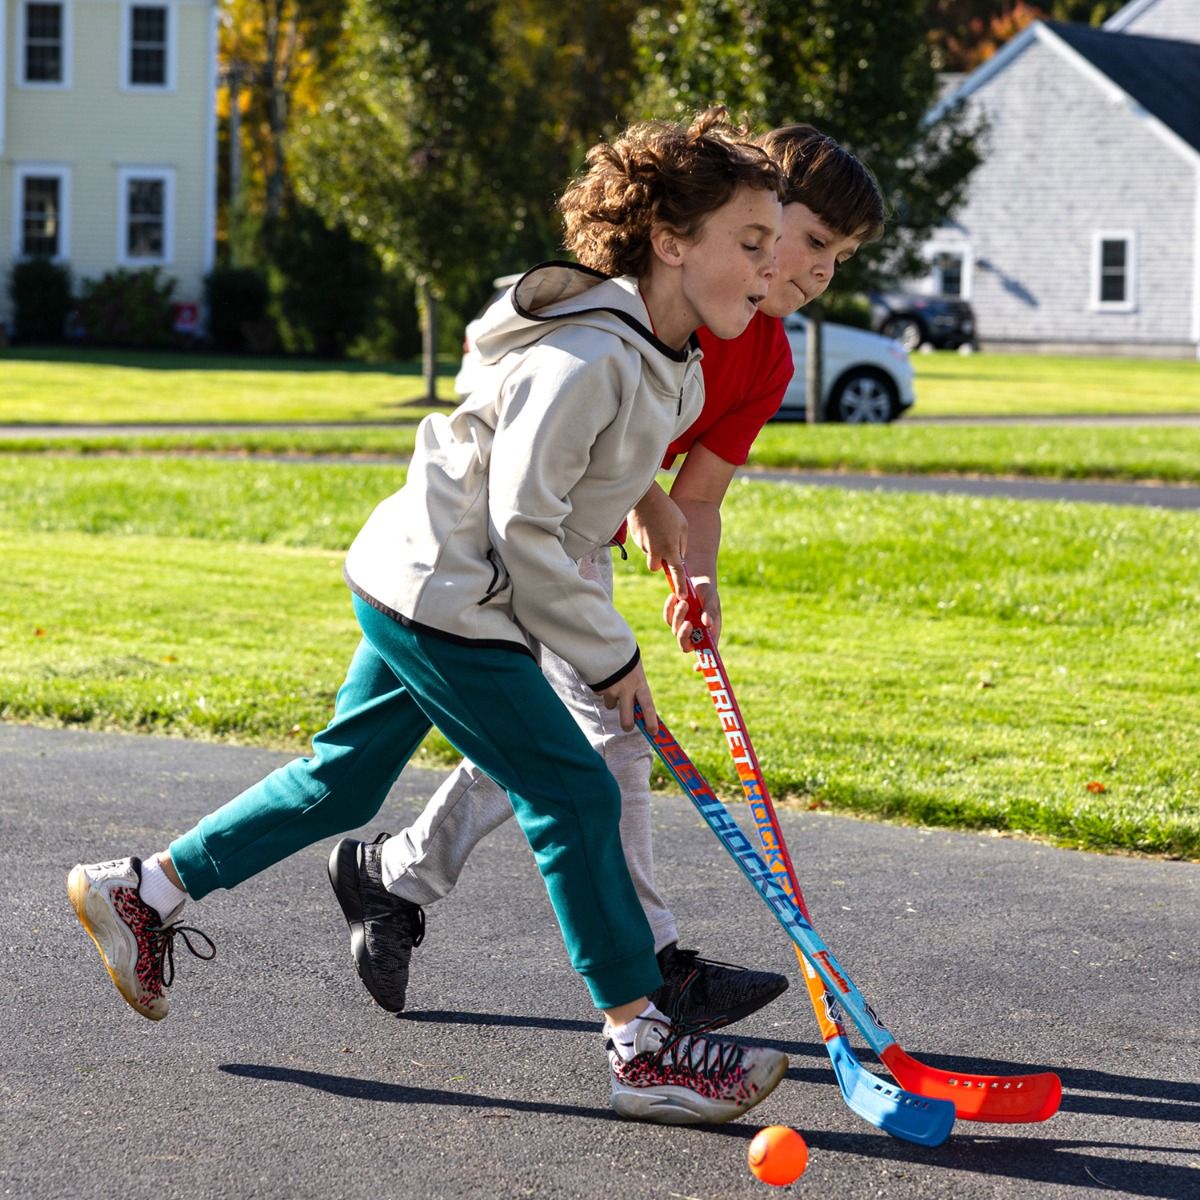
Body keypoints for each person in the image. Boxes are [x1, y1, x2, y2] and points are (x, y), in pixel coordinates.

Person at [68, 108, 793, 1127]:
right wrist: (609, 654)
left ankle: (143, 890)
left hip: (425, 578)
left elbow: (580, 466)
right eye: (751, 244)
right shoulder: (586, 356)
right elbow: (523, 523)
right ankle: (644, 1045)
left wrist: (655, 502)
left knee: (345, 778)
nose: (771, 271)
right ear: (671, 242)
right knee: (574, 793)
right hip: (455, 598)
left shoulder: (657, 348)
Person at [327, 125, 886, 1026]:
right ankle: (654, 965)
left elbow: (696, 493)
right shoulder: (663, 286)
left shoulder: (768, 356)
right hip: (519, 537)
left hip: (576, 538)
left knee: (556, 748)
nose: (821, 271)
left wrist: (691, 582)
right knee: (607, 741)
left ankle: (393, 876)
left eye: (842, 257)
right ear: (754, 217)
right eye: (812, 241)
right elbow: (573, 420)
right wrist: (644, 502)